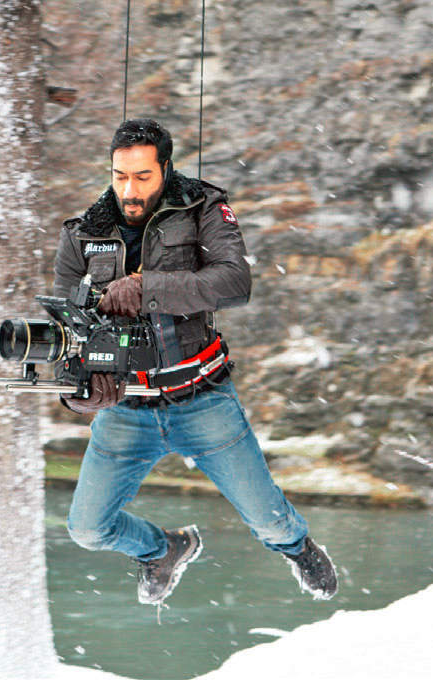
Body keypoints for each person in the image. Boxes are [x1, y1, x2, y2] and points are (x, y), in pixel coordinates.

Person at [51, 118, 337, 605]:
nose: (129, 189)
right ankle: (163, 549)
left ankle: (298, 547)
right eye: (120, 176)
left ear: (165, 167)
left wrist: (148, 288)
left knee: (270, 520)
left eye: (142, 176)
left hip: (203, 399)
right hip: (125, 410)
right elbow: (65, 334)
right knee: (87, 529)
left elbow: (234, 283)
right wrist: (78, 394)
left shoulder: (203, 205)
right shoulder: (82, 233)